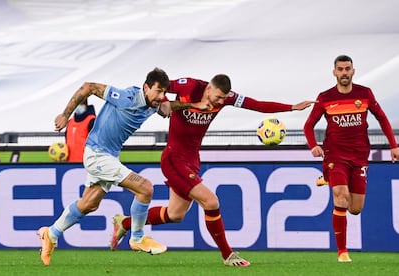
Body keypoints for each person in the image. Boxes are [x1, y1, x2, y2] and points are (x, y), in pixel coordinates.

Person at [110, 74, 315, 267]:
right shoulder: (188, 86)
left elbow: (257, 105)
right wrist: (164, 103)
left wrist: (291, 107)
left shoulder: (226, 98)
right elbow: (158, 88)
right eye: (217, 97)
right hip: (174, 158)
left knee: (175, 214)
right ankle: (228, 254)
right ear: (208, 88)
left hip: (191, 161)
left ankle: (125, 222)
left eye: (223, 99)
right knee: (211, 201)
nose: (219, 102)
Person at [37, 67, 210, 266]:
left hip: (108, 156)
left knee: (89, 204)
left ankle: (50, 233)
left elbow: (169, 105)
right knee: (145, 188)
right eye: (158, 91)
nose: (161, 96)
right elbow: (89, 87)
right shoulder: (126, 96)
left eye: (164, 92)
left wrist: (195, 105)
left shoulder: (154, 103)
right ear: (146, 87)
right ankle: (136, 238)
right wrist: (65, 115)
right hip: (97, 155)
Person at [303, 55, 399, 262]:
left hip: (359, 155)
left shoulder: (364, 94)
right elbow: (308, 125)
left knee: (355, 208)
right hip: (335, 155)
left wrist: (394, 145)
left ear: (353, 71)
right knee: (341, 195)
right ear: (334, 72)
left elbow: (381, 117)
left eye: (347, 69)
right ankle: (342, 252)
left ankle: (329, 178)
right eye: (340, 69)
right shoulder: (325, 97)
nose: (344, 73)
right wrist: (313, 146)